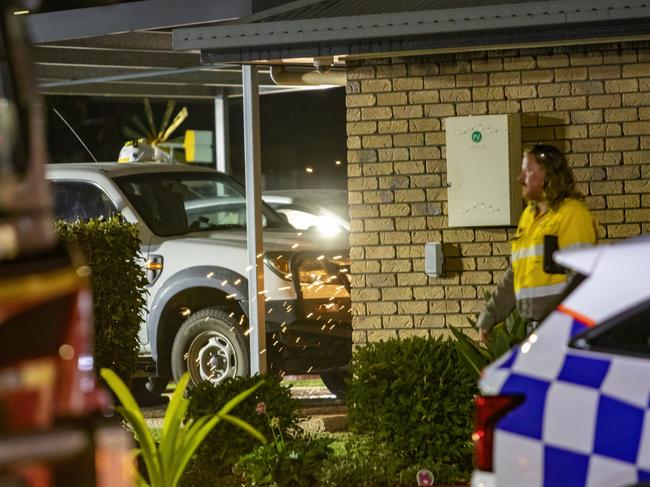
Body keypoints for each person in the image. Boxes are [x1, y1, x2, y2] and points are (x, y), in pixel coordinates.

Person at [477, 144, 597, 340]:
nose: (520, 178)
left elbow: (580, 277)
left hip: (562, 330)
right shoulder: (528, 216)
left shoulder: (572, 214)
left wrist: (557, 325)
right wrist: (490, 315)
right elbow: (515, 273)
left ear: (548, 175)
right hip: (536, 329)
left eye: (528, 171)